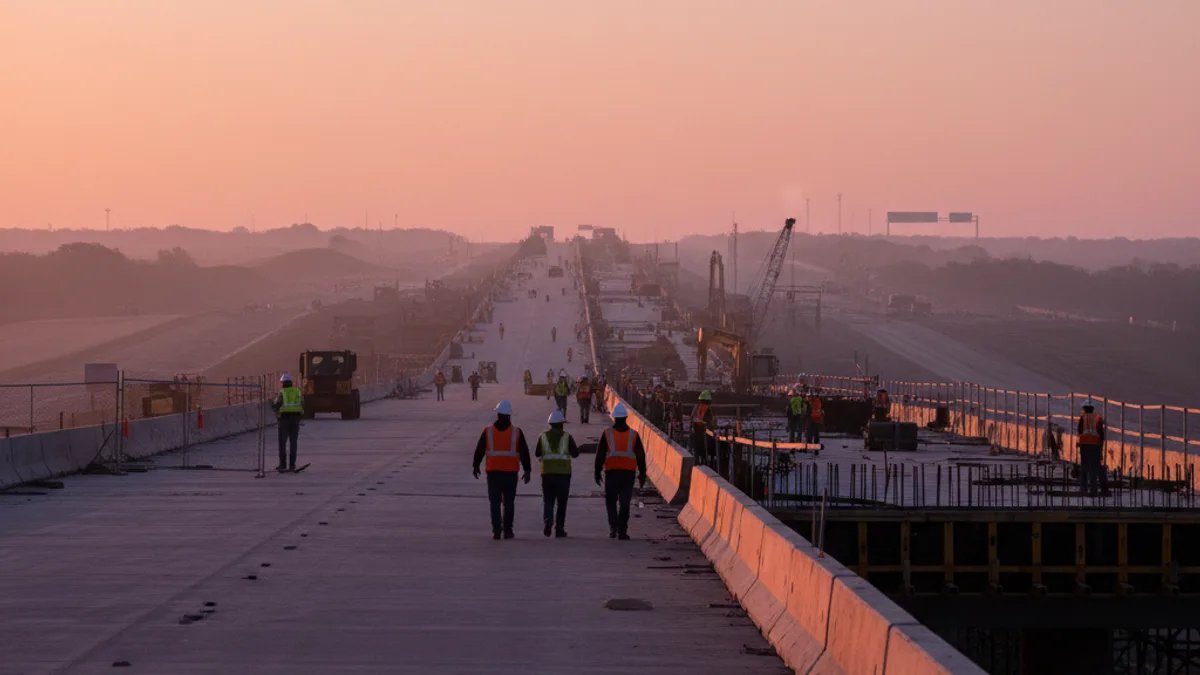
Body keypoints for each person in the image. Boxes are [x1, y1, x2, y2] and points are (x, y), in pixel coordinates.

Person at [472, 400, 532, 539]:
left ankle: (496, 530)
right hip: (510, 473)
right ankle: (508, 530)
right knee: (509, 503)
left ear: (498, 414)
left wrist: (476, 465)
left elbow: (480, 449)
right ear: (509, 415)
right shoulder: (516, 432)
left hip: (493, 472)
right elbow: (524, 452)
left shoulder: (488, 431)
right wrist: (527, 470)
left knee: (494, 502)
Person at [594, 403, 647, 540]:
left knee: (611, 501)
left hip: (612, 473)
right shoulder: (633, 435)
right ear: (625, 418)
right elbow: (641, 456)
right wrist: (642, 474)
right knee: (625, 503)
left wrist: (597, 471)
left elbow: (600, 455)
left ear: (615, 418)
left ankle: (613, 527)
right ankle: (622, 531)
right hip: (627, 474)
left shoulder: (607, 434)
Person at [535, 409, 579, 538]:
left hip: (547, 474)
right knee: (561, 503)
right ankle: (559, 529)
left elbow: (537, 453)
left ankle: (548, 521)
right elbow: (575, 454)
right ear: (562, 424)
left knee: (548, 501)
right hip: (563, 475)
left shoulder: (543, 436)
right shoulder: (567, 437)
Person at [271, 373, 304, 472]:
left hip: (284, 420)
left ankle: (283, 465)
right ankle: (292, 465)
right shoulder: (297, 391)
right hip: (295, 420)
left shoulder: (282, 392)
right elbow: (302, 404)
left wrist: (273, 405)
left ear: (283, 383)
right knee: (293, 443)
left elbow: (277, 405)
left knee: (282, 443)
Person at [1077, 399, 1108, 496]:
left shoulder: (1082, 418)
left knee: (1084, 466)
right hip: (1095, 445)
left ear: (1085, 409)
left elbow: (1079, 430)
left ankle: (1083, 487)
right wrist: (1101, 444)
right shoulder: (1098, 418)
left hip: (1085, 445)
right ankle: (1093, 488)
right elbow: (1101, 433)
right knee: (1094, 466)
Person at [691, 390, 716, 463]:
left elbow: (692, 418)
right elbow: (710, 421)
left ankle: (697, 461)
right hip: (706, 434)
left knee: (697, 450)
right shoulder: (708, 409)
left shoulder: (696, 407)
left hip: (696, 433)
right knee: (706, 450)